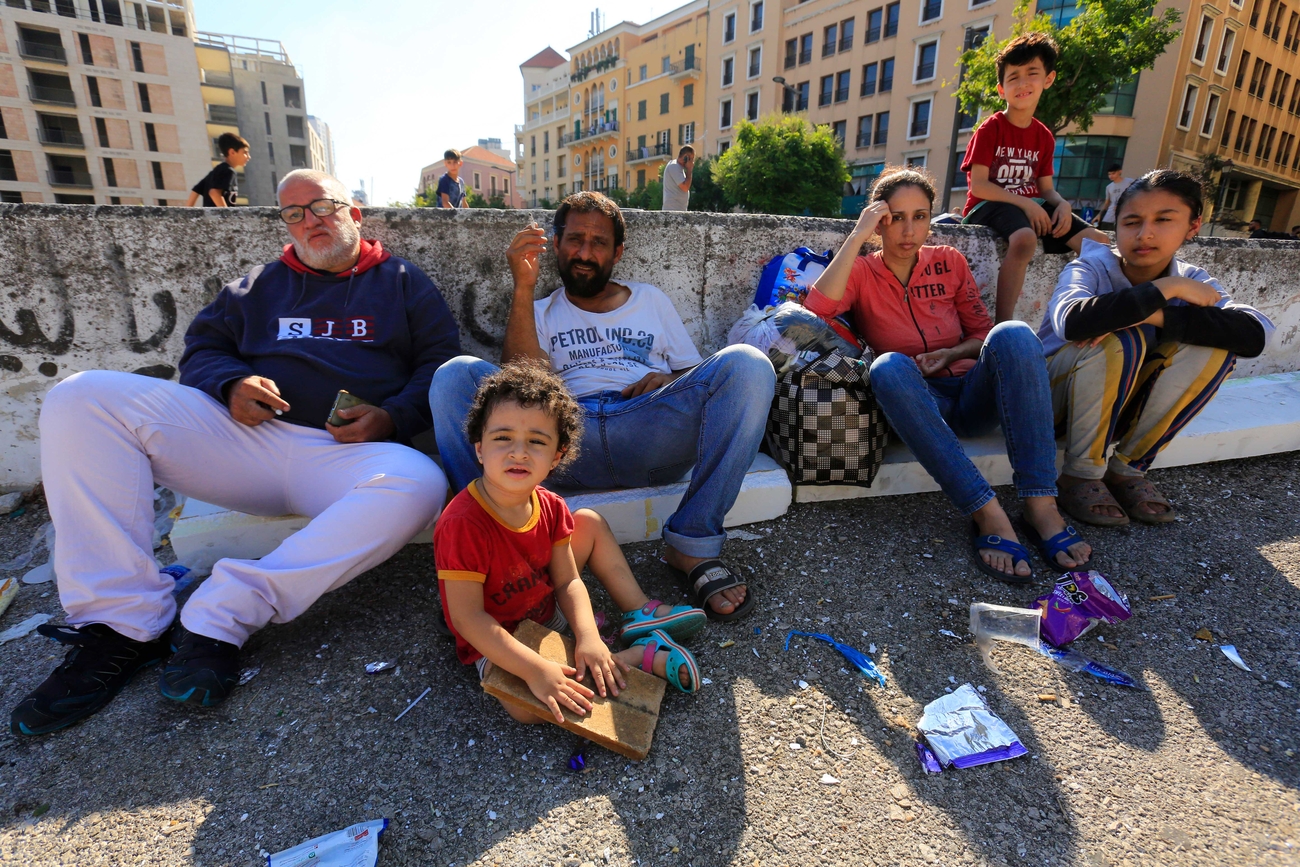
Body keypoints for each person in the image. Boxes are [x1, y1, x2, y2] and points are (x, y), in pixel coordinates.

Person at [11, 169, 462, 736]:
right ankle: (123, 625)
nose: (309, 221)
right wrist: (230, 385)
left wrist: (392, 416)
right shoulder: (258, 284)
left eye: (321, 206)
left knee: (420, 482)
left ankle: (222, 615)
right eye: (294, 213)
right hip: (243, 444)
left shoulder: (401, 282)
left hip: (347, 456)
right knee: (81, 398)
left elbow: (440, 367)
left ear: (354, 213)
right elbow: (201, 350)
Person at [431, 191, 774, 620]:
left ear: (618, 252)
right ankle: (493, 552)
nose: (585, 253)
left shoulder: (650, 299)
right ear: (555, 245)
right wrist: (523, 286)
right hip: (569, 441)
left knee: (747, 364)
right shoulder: (536, 310)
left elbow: (700, 380)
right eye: (575, 239)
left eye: (599, 243)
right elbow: (519, 388)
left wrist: (668, 380)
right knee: (453, 375)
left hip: (649, 430)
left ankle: (693, 544)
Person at [805, 168, 1092, 583]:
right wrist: (858, 234)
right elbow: (818, 311)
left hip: (970, 393)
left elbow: (981, 335)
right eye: (896, 217)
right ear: (879, 220)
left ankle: (1041, 505)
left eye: (920, 216)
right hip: (917, 402)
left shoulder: (949, 262)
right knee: (887, 365)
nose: (909, 230)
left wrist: (950, 353)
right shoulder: (864, 272)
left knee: (1012, 333)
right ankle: (987, 513)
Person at [437, 361, 705, 722]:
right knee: (523, 709)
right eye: (502, 438)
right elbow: (468, 618)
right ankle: (641, 656)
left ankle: (638, 614)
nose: (519, 452)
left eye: (536, 441)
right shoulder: (462, 524)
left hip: (546, 606)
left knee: (589, 522)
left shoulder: (549, 505)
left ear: (556, 457)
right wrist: (535, 670)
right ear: (480, 449)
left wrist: (589, 636)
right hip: (499, 631)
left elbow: (566, 580)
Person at [1041, 170, 1274, 526]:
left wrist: (1152, 316)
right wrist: (1166, 289)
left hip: (1121, 411)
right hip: (1052, 406)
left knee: (1213, 347)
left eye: (1164, 220)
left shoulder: (1194, 279)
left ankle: (1127, 469)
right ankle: (1081, 474)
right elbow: (1071, 322)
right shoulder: (1090, 266)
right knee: (1122, 339)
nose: (1144, 233)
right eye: (1131, 222)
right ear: (1114, 227)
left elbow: (1253, 335)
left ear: (1193, 226)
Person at [960, 33, 1110, 323]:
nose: (1023, 83)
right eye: (1013, 77)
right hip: (987, 206)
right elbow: (978, 185)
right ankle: (1002, 327)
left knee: (1099, 243)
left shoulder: (1043, 136)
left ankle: (1095, 317)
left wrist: (1063, 205)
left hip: (1030, 204)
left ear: (1048, 79)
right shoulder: (990, 129)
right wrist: (1028, 205)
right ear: (1001, 89)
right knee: (1025, 239)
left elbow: (1046, 190)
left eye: (1032, 74)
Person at [186, 133, 250, 208]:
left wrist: (187, 213)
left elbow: (195, 191)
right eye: (245, 152)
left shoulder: (216, 171)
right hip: (218, 218)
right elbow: (214, 192)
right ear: (232, 152)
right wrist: (226, 215)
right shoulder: (229, 171)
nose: (248, 157)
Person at [1092, 164, 1133, 232]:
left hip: (1125, 212)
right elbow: (1107, 203)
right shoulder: (1109, 187)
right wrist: (1099, 215)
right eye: (1109, 174)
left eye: (1113, 173)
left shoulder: (1129, 182)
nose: (1111, 176)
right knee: (1105, 231)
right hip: (1111, 215)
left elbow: (1136, 196)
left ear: (1120, 172)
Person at [661, 145, 695, 211]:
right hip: (672, 210)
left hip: (677, 210)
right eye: (691, 159)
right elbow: (685, 187)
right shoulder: (674, 166)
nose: (692, 163)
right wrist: (689, 170)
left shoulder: (678, 168)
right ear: (686, 158)